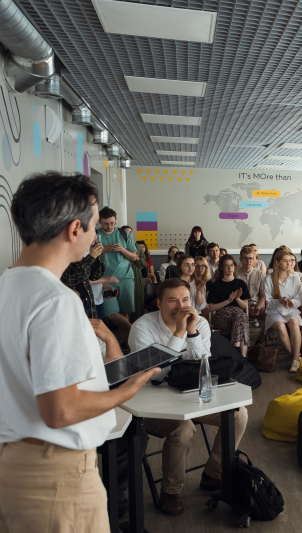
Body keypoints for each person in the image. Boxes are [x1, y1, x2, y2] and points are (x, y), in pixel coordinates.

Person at [0, 172, 158, 532]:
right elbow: (61, 409)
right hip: (54, 472)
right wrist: (127, 390)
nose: (95, 235)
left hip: (14, 462)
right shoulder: (55, 300)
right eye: (92, 227)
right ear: (74, 229)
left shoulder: (9, 284)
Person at [129, 279, 248, 515]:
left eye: (185, 300)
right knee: (184, 429)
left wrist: (191, 331)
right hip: (151, 402)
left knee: (238, 415)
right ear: (159, 303)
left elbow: (204, 363)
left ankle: (213, 474)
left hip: (190, 393)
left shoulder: (200, 323)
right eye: (173, 301)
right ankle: (170, 491)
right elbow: (155, 374)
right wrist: (179, 332)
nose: (180, 306)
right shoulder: (142, 328)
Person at [98, 207, 138, 345]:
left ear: (115, 221)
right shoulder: (95, 235)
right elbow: (87, 258)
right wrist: (102, 251)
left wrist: (122, 250)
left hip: (125, 277)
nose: (109, 226)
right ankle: (135, 332)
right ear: (99, 221)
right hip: (104, 279)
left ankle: (125, 343)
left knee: (124, 311)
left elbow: (135, 257)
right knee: (110, 312)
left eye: (112, 223)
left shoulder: (123, 234)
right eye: (105, 224)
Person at [264, 250, 302, 372]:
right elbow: (268, 301)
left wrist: (292, 302)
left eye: (290, 261)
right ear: (277, 262)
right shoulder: (268, 279)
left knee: (294, 322)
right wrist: (279, 301)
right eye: (285, 261)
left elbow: (298, 299)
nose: (289, 264)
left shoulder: (295, 278)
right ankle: (296, 357)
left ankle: (295, 361)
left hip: (291, 310)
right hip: (274, 311)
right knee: (281, 327)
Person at [206, 255, 250, 357]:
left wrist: (237, 299)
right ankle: (242, 357)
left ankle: (237, 353)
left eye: (232, 265)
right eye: (227, 265)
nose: (230, 268)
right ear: (221, 267)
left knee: (240, 317)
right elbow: (211, 308)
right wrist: (229, 300)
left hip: (238, 317)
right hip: (222, 318)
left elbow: (244, 306)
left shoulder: (240, 283)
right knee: (241, 318)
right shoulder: (216, 285)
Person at [61, 240, 106, 319]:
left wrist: (98, 255)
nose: (93, 237)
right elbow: (70, 280)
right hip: (74, 305)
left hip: (88, 301)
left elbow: (95, 276)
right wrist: (90, 258)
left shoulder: (85, 253)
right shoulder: (62, 254)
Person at [236, 246, 267, 327]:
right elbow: (235, 297)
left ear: (254, 259)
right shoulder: (235, 275)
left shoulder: (260, 274)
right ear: (240, 259)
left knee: (271, 315)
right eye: (245, 258)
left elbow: (263, 296)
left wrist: (258, 308)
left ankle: (261, 339)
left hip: (257, 305)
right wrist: (247, 308)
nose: (248, 261)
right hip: (241, 307)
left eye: (250, 258)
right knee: (235, 315)